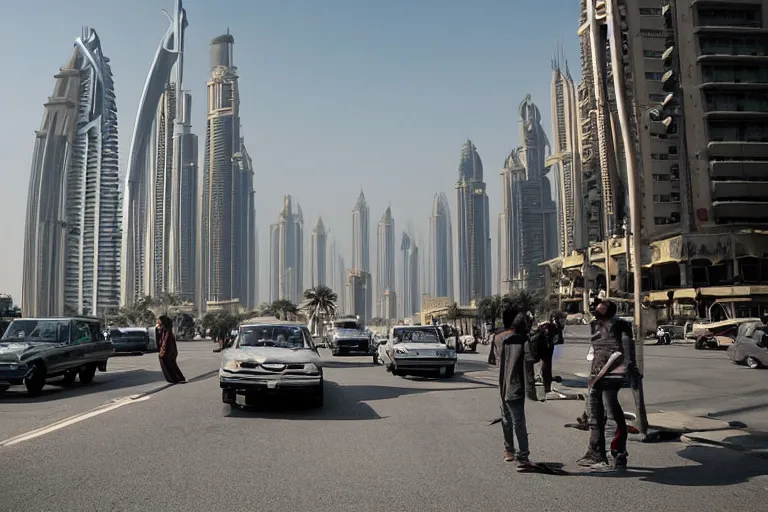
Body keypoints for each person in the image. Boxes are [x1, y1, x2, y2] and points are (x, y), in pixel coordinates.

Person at [578, 300, 632, 470]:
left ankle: (616, 453)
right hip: (597, 373)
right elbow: (594, 348)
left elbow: (627, 347)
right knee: (596, 415)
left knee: (611, 412)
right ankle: (596, 453)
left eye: (601, 310)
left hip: (613, 373)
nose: (596, 313)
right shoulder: (594, 325)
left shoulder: (621, 325)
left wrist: (631, 367)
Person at [495, 306, 533, 470]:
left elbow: (495, 359)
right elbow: (530, 362)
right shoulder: (524, 341)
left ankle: (508, 451)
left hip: (503, 384)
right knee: (519, 421)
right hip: (516, 385)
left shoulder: (499, 338)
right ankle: (523, 456)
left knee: (506, 418)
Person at [157, 315, 186, 384]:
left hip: (169, 351)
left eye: (159, 320)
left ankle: (174, 378)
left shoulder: (167, 331)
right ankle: (179, 378)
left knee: (169, 364)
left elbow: (166, 342)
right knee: (172, 364)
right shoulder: (164, 330)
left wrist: (163, 351)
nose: (158, 321)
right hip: (170, 351)